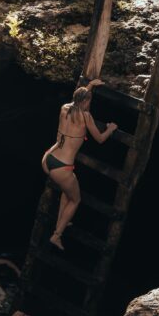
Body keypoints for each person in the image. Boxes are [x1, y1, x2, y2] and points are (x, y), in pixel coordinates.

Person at [43, 79, 117, 250]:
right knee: (76, 200)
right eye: (89, 100)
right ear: (85, 102)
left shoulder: (64, 108)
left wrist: (89, 87)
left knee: (66, 191)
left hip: (48, 158)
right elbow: (99, 139)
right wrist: (110, 129)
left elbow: (78, 103)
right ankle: (57, 235)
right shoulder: (86, 116)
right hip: (63, 167)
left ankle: (62, 221)